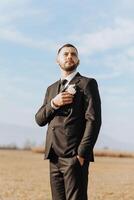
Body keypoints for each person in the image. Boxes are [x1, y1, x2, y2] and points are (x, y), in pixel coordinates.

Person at [35, 43, 101, 200]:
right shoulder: (51, 89)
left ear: (78, 61)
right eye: (65, 54)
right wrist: (53, 103)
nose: (70, 56)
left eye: (74, 54)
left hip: (74, 156)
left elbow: (93, 120)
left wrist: (81, 154)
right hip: (53, 156)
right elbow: (39, 119)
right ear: (57, 60)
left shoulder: (87, 83)